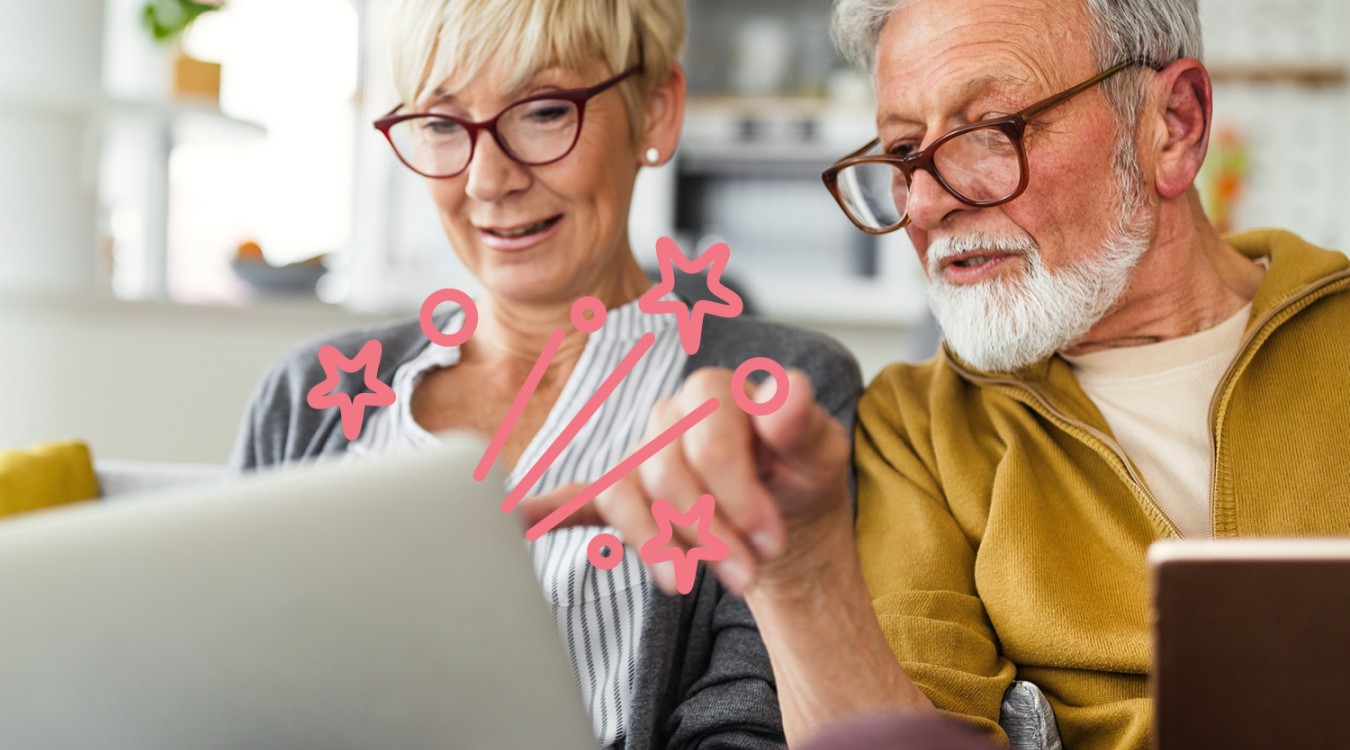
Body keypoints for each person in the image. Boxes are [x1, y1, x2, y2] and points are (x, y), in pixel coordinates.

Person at [526, 0, 1350, 748]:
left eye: (991, 128)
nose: (922, 205)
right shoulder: (914, 431)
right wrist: (800, 574)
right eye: (901, 152)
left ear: (1172, 123)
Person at [229, 0, 862, 747]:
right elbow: (225, 688)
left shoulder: (779, 392)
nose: (489, 179)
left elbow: (750, 727)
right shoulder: (305, 399)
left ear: (654, 112)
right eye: (440, 124)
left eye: (541, 112)